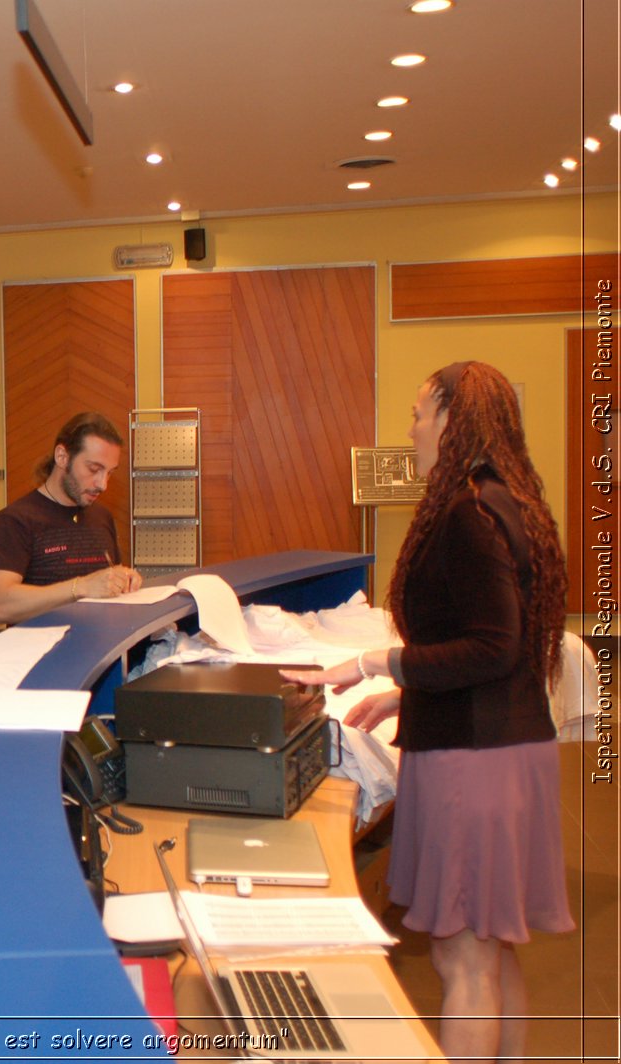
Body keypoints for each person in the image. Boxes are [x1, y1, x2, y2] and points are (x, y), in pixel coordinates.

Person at [283, 361, 574, 1062]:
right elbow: (489, 652)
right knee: (494, 954)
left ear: (451, 417)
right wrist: (407, 696)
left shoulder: (465, 513)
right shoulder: (505, 498)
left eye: (418, 413)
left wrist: (373, 663)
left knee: (462, 964)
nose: (410, 428)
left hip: (475, 766)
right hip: (508, 749)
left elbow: (491, 647)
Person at [0, 412, 142, 624]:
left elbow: (107, 583)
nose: (102, 484)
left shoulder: (101, 517)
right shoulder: (14, 522)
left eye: (110, 472)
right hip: (42, 654)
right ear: (62, 457)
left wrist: (124, 581)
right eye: (94, 469)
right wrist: (80, 587)